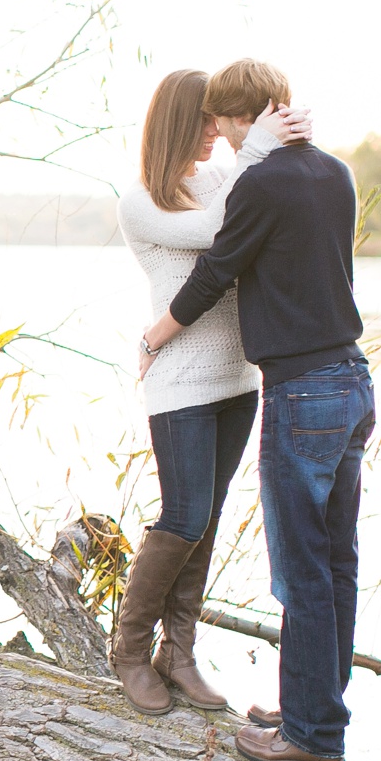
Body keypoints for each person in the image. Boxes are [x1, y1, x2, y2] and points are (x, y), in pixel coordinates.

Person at [137, 58, 373, 761]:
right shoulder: (335, 172)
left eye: (225, 125)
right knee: (337, 562)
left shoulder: (260, 182)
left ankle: (310, 736)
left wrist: (154, 336)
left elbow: (214, 272)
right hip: (353, 380)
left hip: (301, 391)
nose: (223, 139)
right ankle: (317, 709)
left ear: (245, 120)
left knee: (300, 572)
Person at [111, 70, 309, 718]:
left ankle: (181, 653)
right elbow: (223, 234)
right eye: (204, 120)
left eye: (219, 119)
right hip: (181, 384)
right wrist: (255, 150)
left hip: (238, 379)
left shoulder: (225, 177)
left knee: (210, 519)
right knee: (183, 516)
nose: (216, 131)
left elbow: (262, 206)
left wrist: (285, 138)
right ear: (176, 122)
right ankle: (131, 651)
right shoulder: (141, 201)